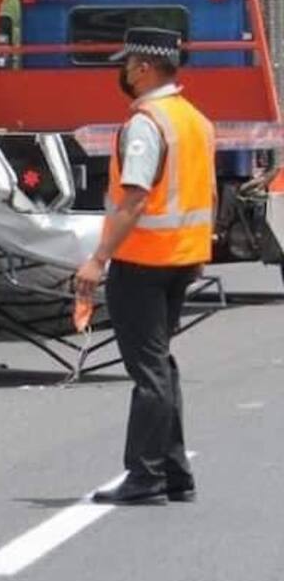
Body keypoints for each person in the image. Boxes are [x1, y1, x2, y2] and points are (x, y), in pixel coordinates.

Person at [75, 27, 215, 505]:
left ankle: (146, 475)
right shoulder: (195, 119)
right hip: (181, 259)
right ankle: (175, 474)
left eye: (128, 63)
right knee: (161, 365)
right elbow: (208, 193)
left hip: (143, 261)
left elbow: (134, 196)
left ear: (145, 68)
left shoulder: (147, 123)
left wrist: (97, 260)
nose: (124, 72)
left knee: (149, 371)